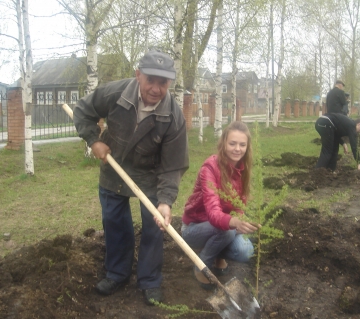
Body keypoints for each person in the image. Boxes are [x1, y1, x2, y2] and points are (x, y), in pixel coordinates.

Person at [73, 50, 189, 305]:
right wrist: (93, 141)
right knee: (115, 222)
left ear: (170, 83)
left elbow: (173, 165)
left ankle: (149, 281)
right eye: (151, 80)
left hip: (151, 175)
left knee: (154, 227)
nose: (156, 89)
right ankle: (117, 273)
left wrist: (166, 201)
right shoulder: (114, 93)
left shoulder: (173, 116)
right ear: (138, 75)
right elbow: (82, 111)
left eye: (163, 82)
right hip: (114, 168)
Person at [181, 121, 260, 290]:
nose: (237, 149)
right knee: (226, 231)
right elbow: (213, 212)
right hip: (195, 227)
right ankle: (202, 266)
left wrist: (239, 220)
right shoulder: (209, 168)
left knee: (245, 251)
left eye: (242, 144)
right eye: (232, 143)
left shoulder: (243, 169)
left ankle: (217, 254)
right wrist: (234, 223)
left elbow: (240, 205)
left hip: (224, 228)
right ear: (223, 143)